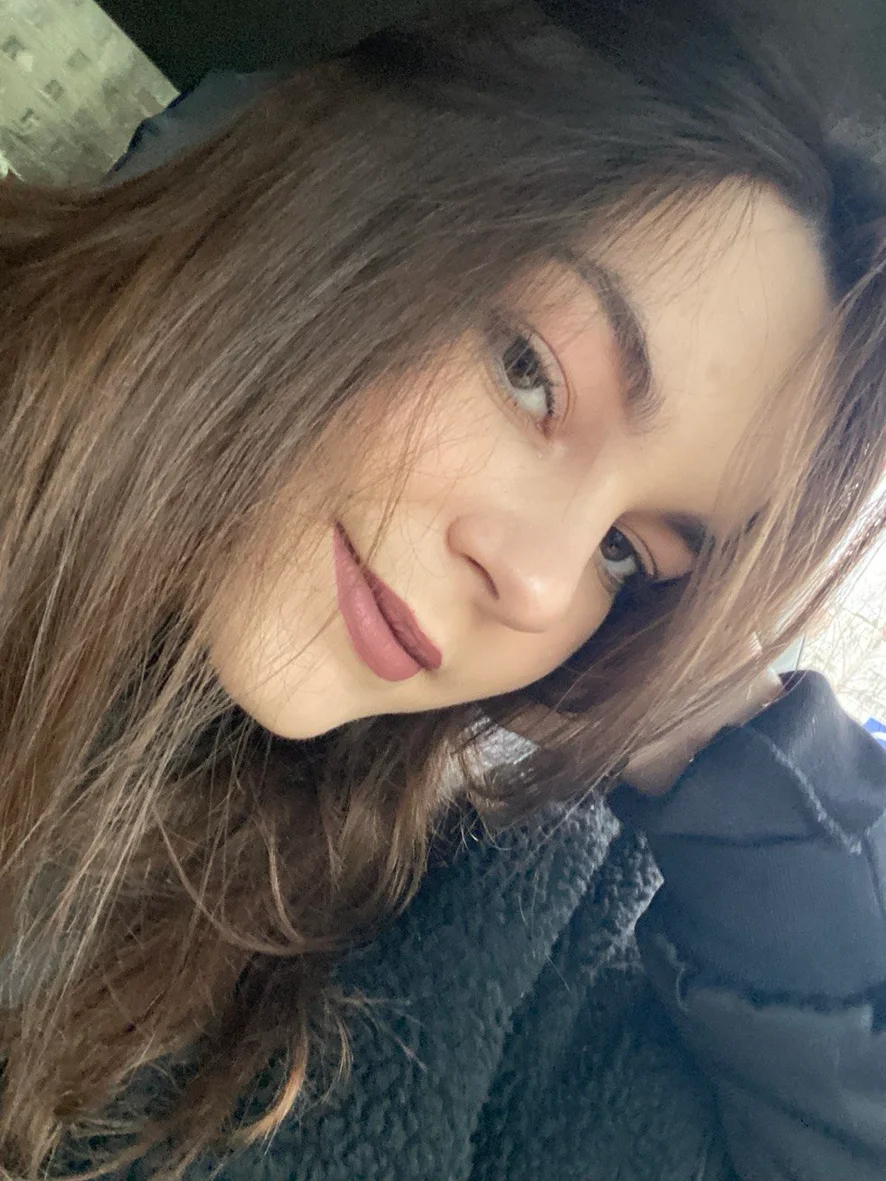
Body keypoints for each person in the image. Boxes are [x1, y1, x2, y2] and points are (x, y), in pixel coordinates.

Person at [0, 0, 885, 1177]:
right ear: (340, 189)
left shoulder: (475, 932)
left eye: (627, 555)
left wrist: (723, 742)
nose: (539, 583)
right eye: (529, 373)